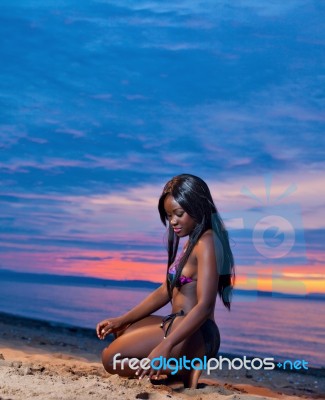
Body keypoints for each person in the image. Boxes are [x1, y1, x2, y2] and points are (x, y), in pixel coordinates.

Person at [96, 174, 235, 388]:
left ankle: (182, 366)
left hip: (196, 332)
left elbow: (205, 306)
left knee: (110, 359)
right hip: (175, 322)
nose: (173, 222)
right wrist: (122, 319)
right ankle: (180, 367)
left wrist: (166, 346)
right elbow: (165, 290)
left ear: (197, 207)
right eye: (169, 215)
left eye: (179, 214)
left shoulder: (208, 242)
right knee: (122, 331)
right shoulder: (191, 242)